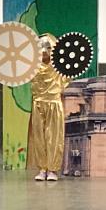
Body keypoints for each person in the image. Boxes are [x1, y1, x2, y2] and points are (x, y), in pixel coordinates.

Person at [28, 34, 70, 181]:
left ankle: (52, 169)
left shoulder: (59, 67)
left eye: (48, 47)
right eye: (41, 47)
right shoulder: (33, 67)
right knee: (39, 136)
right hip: (38, 104)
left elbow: (66, 81)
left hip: (54, 103)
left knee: (54, 136)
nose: (44, 50)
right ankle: (42, 168)